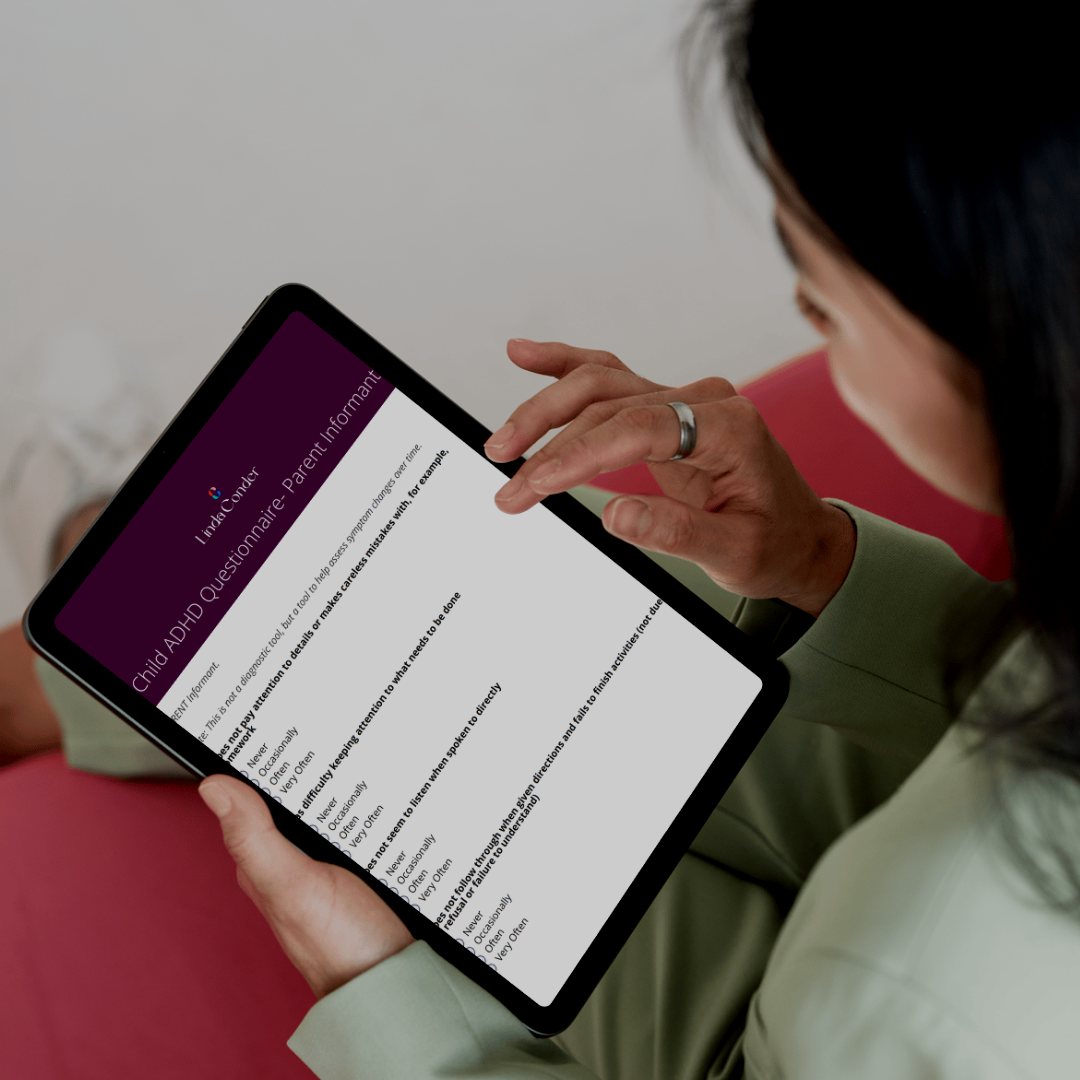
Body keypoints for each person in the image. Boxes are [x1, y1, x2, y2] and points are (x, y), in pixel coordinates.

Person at [18, 0, 1080, 1074]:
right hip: (920, 790)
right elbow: (1020, 683)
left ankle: (84, 584)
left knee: (416, 711)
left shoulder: (898, 998)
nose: (806, 310)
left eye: (824, 301)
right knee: (586, 582)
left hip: (773, 1037)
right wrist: (817, 561)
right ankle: (108, 580)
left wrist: (373, 987)